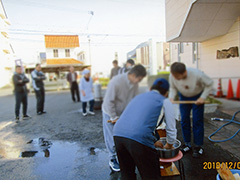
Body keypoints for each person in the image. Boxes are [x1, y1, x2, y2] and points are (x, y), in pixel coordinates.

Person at [113, 78, 177, 180]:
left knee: (127, 174)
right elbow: (171, 129)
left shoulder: (138, 97)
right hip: (138, 137)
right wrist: (169, 145)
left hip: (118, 134)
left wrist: (154, 141)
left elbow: (138, 120)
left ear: (151, 88)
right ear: (166, 93)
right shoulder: (165, 101)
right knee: (150, 176)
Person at [102, 64, 147, 172]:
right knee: (112, 136)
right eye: (139, 79)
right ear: (134, 75)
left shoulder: (134, 84)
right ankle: (112, 158)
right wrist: (113, 117)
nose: (138, 82)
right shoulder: (116, 82)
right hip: (110, 112)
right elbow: (109, 102)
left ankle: (123, 156)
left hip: (123, 112)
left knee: (123, 135)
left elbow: (135, 99)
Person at [169, 62, 213, 158]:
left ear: (185, 72)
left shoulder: (197, 74)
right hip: (183, 97)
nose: (176, 78)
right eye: (174, 76)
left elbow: (209, 84)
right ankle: (187, 144)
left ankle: (198, 146)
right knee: (184, 120)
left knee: (197, 121)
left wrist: (203, 97)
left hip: (197, 96)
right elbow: (172, 88)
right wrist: (171, 97)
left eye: (178, 76)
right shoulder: (173, 75)